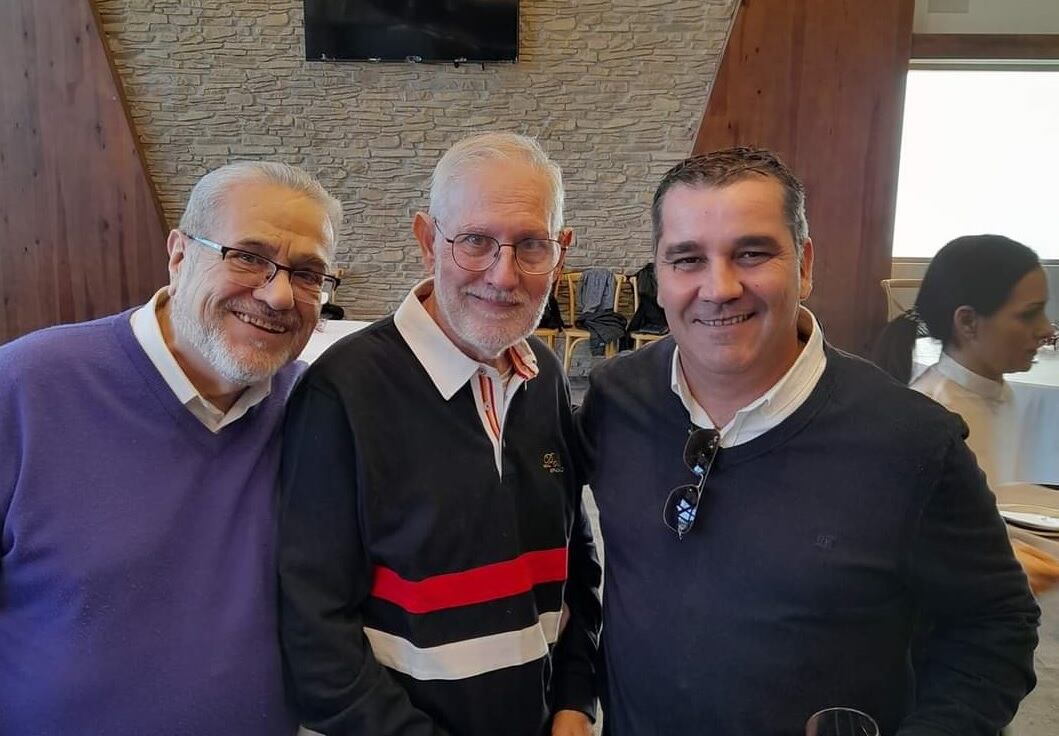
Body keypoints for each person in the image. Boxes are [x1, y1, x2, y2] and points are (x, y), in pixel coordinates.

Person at [575, 147, 1039, 735]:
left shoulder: (912, 442)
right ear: (658, 277)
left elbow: (995, 623)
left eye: (752, 253)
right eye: (687, 258)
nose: (718, 287)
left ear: (806, 263)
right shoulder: (618, 400)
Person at [0, 161, 343, 735]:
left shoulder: (317, 409)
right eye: (249, 256)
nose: (279, 294)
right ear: (179, 254)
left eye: (308, 273)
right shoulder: (26, 389)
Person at [278, 132, 601, 736]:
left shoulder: (546, 378)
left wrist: (575, 701)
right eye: (475, 242)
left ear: (560, 251)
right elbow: (314, 634)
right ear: (428, 241)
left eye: (530, 244)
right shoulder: (343, 392)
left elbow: (574, 563)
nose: (503, 276)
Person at [873, 234, 1054, 489]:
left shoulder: (1004, 396)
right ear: (968, 322)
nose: (1047, 329)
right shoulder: (932, 418)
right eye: (1028, 315)